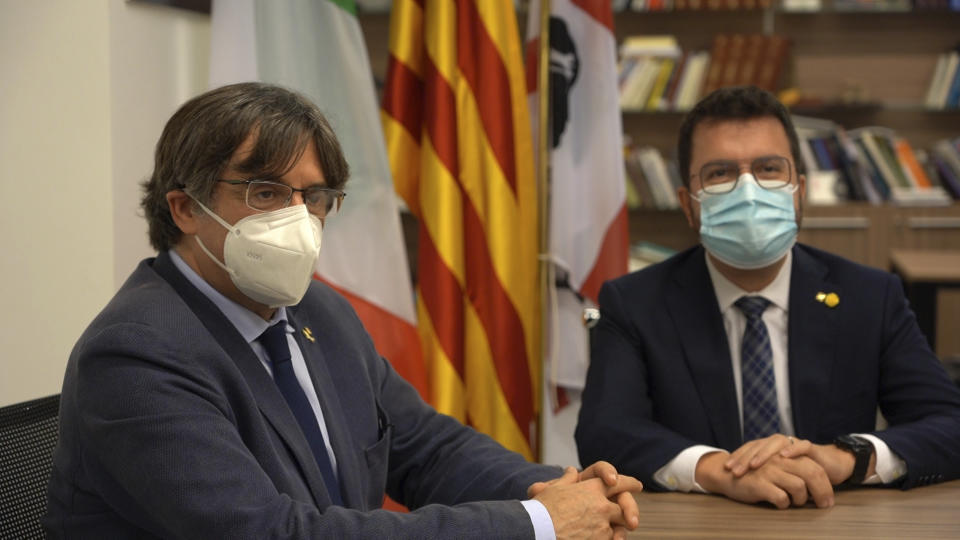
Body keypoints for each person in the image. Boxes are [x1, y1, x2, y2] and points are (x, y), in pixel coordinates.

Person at [44, 82, 643, 539]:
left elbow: (425, 447)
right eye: (267, 193)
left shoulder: (317, 309)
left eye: (317, 197)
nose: (298, 220)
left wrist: (561, 490)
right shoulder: (135, 352)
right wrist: (534, 522)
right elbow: (273, 533)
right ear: (184, 208)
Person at [576, 86, 960, 509]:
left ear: (800, 190)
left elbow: (949, 424)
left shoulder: (869, 295)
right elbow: (604, 433)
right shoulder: (634, 303)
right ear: (688, 205)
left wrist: (842, 458)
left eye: (769, 168)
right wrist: (720, 470)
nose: (749, 190)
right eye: (720, 173)